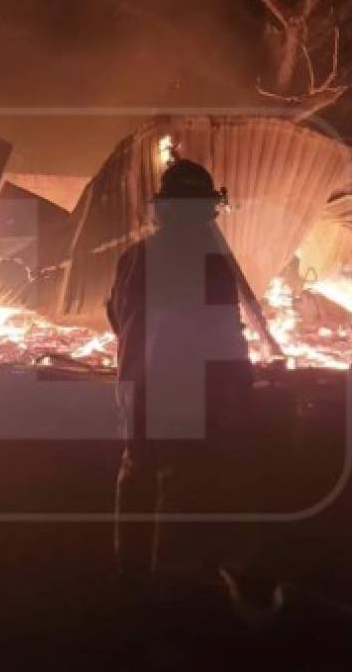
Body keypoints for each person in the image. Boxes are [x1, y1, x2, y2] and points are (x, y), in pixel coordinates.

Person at [107, 159, 260, 596]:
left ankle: (130, 572)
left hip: (135, 385)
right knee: (182, 481)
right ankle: (173, 586)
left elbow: (116, 314)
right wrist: (242, 384)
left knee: (137, 471)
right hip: (184, 388)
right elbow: (222, 333)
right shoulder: (208, 262)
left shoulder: (133, 256)